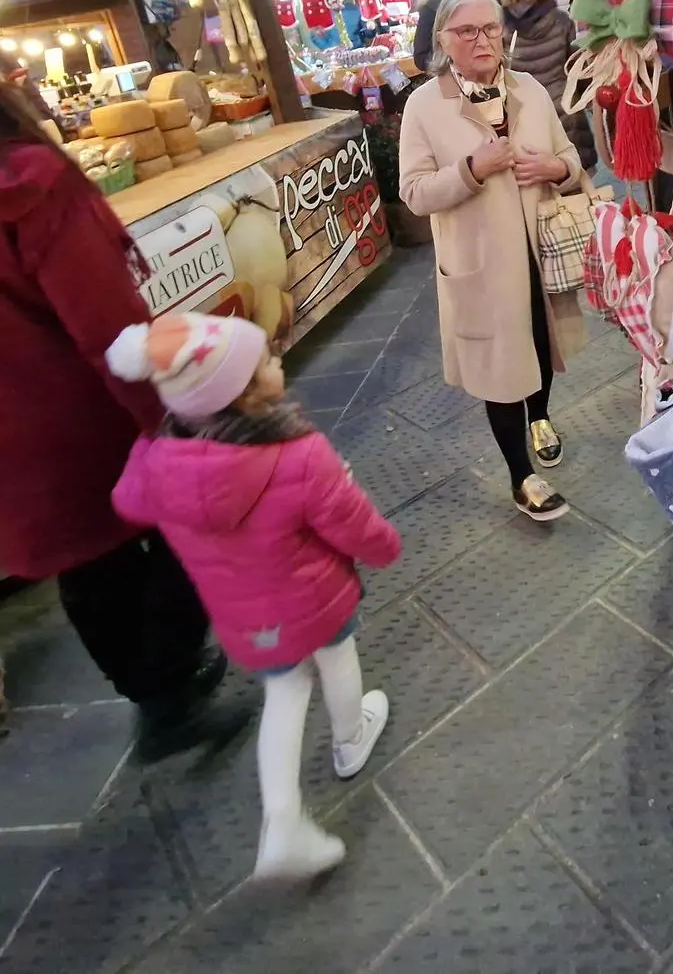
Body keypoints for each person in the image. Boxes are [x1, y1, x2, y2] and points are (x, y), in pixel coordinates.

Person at [107, 312, 402, 880]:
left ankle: (283, 819)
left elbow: (127, 501)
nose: (277, 361)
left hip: (247, 619)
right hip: (316, 597)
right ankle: (350, 738)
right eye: (265, 360)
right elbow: (352, 522)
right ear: (244, 394)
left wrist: (153, 451)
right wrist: (386, 547)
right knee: (339, 655)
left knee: (285, 694)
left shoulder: (158, 459)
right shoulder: (298, 452)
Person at [0, 82, 241, 762]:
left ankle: (159, 691)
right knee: (188, 522)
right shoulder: (30, 182)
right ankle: (164, 694)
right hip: (74, 420)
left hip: (13, 441)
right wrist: (171, 414)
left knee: (87, 563)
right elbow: (107, 324)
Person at [399, 0, 587, 520]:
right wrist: (471, 170)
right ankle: (520, 474)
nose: (483, 40)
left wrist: (556, 169)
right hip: (480, 264)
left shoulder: (527, 86)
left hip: (540, 251)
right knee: (500, 368)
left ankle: (541, 415)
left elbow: (570, 155)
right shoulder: (424, 105)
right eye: (467, 31)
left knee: (539, 342)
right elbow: (413, 193)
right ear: (443, 40)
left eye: (490, 28)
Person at [503, 0, 596, 173]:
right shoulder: (561, 20)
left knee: (535, 177)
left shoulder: (503, 26)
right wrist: (587, 98)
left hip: (524, 109)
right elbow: (575, 66)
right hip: (563, 107)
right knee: (573, 171)